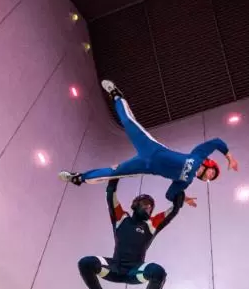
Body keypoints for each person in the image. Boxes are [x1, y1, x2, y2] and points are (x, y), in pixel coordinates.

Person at [59, 80, 238, 205]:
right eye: (212, 173)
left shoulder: (186, 181)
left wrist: (184, 199)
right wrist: (230, 158)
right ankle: (116, 95)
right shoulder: (198, 155)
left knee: (114, 173)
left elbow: (169, 195)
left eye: (210, 179)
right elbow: (216, 141)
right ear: (209, 165)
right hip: (151, 148)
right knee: (129, 123)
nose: (208, 177)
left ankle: (78, 178)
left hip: (146, 166)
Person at [77, 178, 183, 289]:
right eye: (145, 204)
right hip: (114, 267)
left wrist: (180, 189)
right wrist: (115, 176)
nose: (149, 208)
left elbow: (173, 210)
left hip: (135, 271)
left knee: (158, 272)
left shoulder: (151, 224)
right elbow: (110, 195)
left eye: (151, 207)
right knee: (85, 263)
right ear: (135, 205)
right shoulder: (121, 218)